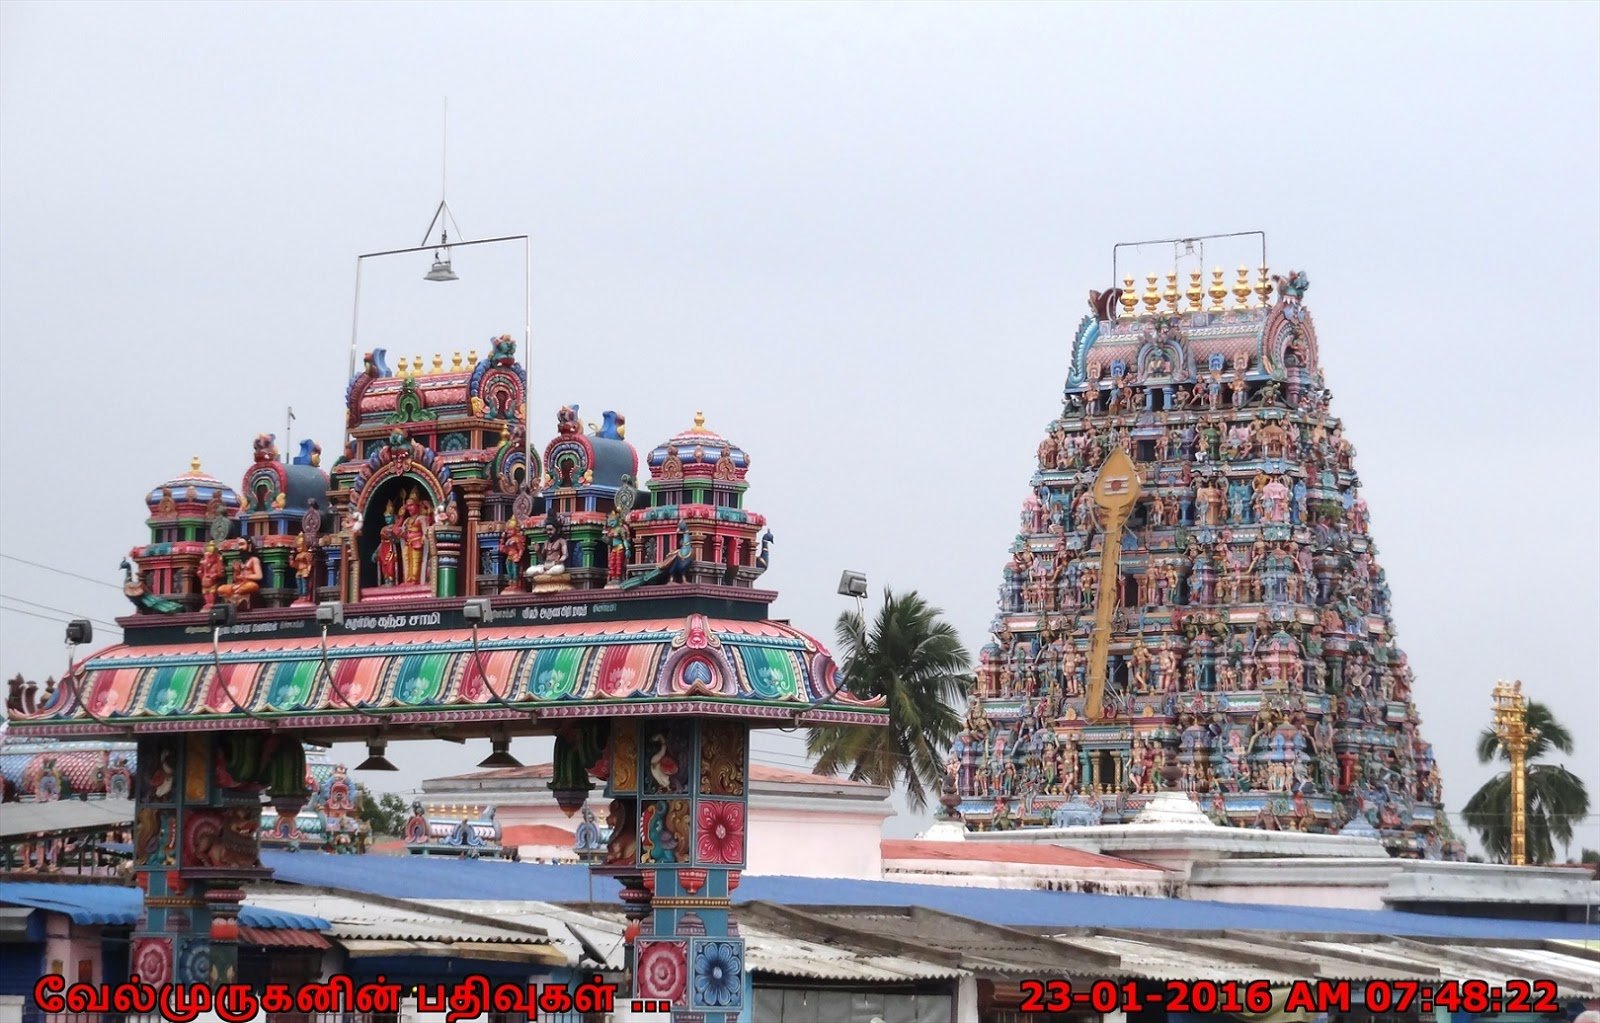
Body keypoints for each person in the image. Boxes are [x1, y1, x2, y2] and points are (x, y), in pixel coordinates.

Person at [217, 543, 263, 610]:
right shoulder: (239, 561)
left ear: (249, 545)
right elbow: (236, 579)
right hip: (239, 584)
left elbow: (259, 576)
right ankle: (235, 598)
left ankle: (239, 599)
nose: (240, 547)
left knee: (248, 587)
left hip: (249, 584)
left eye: (242, 544)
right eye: (239, 545)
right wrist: (236, 571)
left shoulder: (254, 559)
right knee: (221, 589)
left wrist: (245, 576)